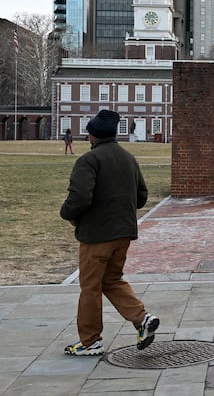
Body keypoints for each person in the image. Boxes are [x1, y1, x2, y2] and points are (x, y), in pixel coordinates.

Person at [60, 109, 159, 356]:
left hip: (96, 236)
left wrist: (67, 213)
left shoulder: (89, 160)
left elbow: (80, 197)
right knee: (112, 280)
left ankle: (90, 340)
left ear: (93, 135)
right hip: (124, 233)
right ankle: (142, 318)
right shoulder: (128, 158)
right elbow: (141, 196)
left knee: (90, 286)